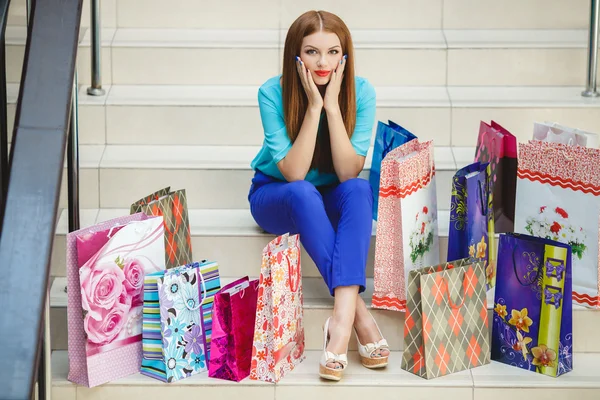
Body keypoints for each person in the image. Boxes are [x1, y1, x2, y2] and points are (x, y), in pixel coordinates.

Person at [247, 10, 389, 381]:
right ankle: (357, 318)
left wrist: (332, 106)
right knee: (303, 192)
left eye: (333, 52)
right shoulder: (272, 92)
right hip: (277, 195)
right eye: (312, 52)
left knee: (359, 188)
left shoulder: (364, 92)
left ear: (345, 56)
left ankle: (338, 324)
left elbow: (347, 172)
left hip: (330, 196)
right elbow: (293, 174)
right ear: (296, 54)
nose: (323, 63)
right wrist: (313, 108)